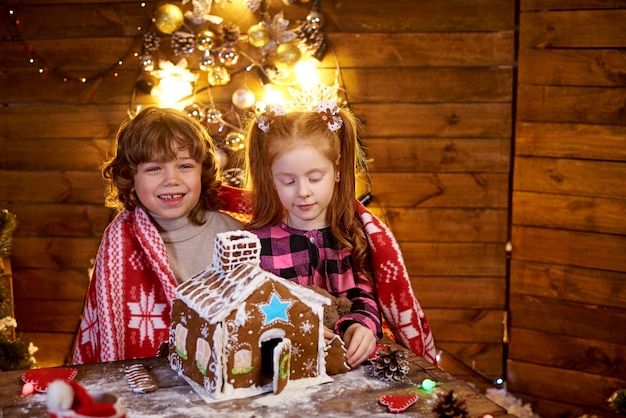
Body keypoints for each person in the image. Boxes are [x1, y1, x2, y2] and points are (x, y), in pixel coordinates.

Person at [244, 101, 430, 368]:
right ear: (270, 178)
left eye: (315, 178)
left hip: (350, 370)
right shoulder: (257, 244)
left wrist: (362, 326)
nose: (303, 191)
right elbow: (252, 311)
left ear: (338, 171)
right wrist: (292, 329)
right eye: (288, 180)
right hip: (288, 370)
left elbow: (363, 294)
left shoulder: (352, 234)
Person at [72, 107, 248, 364]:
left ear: (203, 170)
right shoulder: (119, 244)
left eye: (185, 165)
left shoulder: (236, 233)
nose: (172, 179)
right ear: (130, 177)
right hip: (154, 379)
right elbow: (107, 327)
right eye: (154, 169)